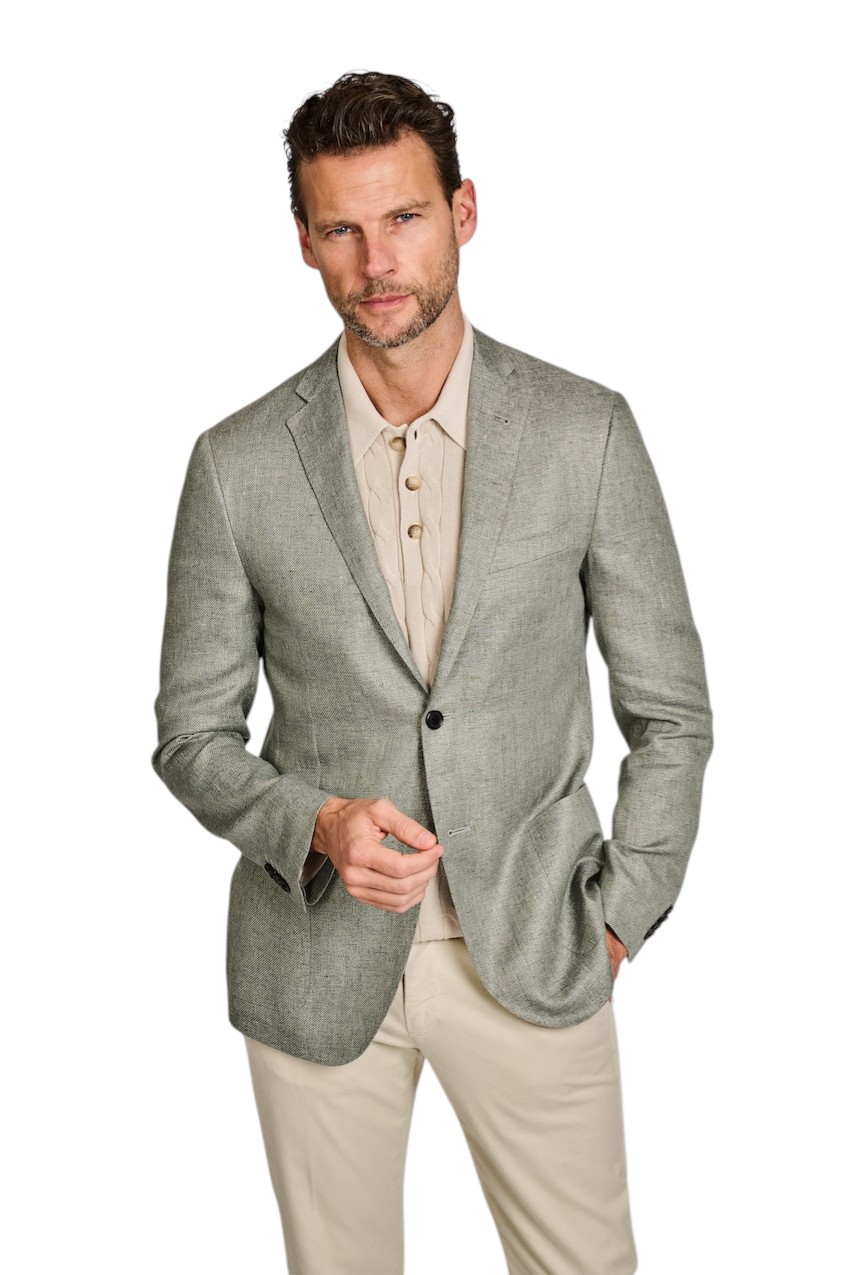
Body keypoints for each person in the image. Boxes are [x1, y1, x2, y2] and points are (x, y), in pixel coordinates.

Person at [154, 70, 712, 1275]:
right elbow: (192, 735)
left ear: (463, 211)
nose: (376, 263)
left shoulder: (583, 431)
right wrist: (316, 822)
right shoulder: (236, 465)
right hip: (313, 958)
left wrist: (620, 915)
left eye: (403, 217)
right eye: (341, 229)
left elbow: (669, 713)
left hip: (535, 942)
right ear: (303, 241)